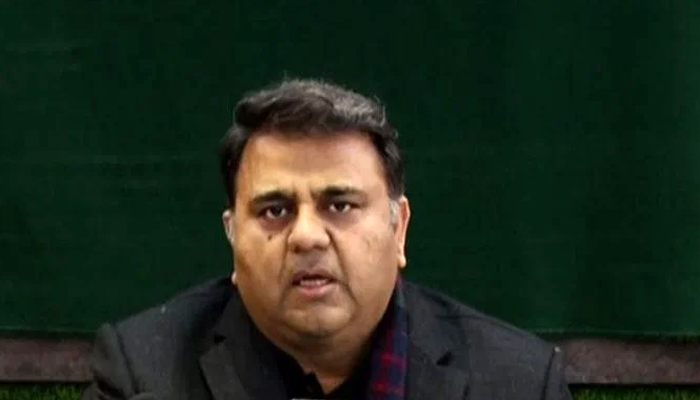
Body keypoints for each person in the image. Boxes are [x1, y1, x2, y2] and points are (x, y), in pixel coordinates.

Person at [81, 79, 573, 400]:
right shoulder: (142, 374)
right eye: (275, 210)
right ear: (233, 237)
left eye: (339, 205)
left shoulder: (521, 383)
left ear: (398, 229)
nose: (307, 237)